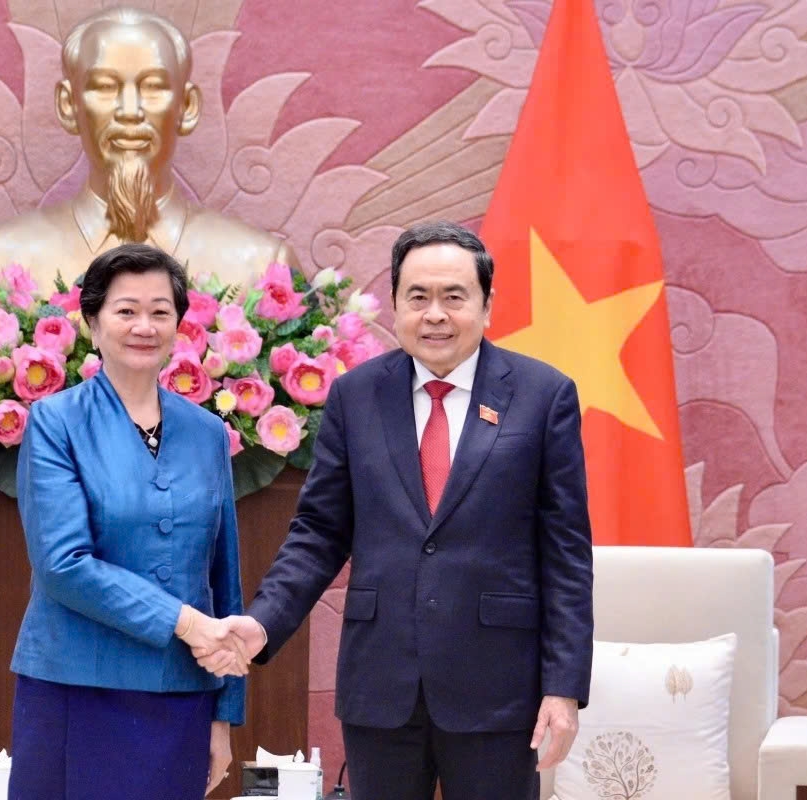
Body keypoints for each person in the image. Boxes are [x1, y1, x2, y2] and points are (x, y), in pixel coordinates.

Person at [206, 221, 594, 800]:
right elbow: (318, 533)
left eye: (453, 297)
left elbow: (565, 554)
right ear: (394, 306)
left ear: (487, 305)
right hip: (381, 684)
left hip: (498, 689)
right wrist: (263, 622)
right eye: (417, 297)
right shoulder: (355, 396)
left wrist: (563, 689)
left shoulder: (543, 396)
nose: (434, 313)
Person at [9, 242, 248, 800]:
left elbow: (224, 574)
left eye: (160, 312)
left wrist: (224, 715)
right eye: (126, 311)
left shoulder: (207, 431)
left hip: (181, 693)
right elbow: (63, 565)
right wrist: (186, 624)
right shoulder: (54, 422)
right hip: (76, 688)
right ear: (93, 322)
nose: (145, 326)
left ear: (179, 325)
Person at [0, 7, 297, 296]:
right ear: (68, 105)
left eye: (153, 87)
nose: (130, 110)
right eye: (105, 87)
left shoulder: (263, 267)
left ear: (188, 107)